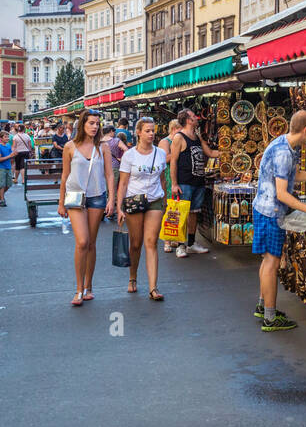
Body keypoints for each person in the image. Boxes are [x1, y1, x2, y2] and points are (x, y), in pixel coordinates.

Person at [252, 109, 306, 332]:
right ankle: (270, 317)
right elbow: (283, 193)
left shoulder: (286, 145)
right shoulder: (285, 152)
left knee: (268, 260)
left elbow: (299, 175)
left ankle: (262, 305)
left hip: (266, 209)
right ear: (305, 130)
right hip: (270, 211)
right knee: (271, 263)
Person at [59, 111, 116, 306]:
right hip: (75, 197)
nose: (94, 127)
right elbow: (65, 176)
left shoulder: (103, 147)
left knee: (91, 243)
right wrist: (61, 203)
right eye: (91, 123)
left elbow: (109, 175)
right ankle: (78, 288)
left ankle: (88, 286)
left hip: (97, 197)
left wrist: (112, 199)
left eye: (97, 124)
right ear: (82, 124)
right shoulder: (69, 146)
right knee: (82, 242)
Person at [117, 117, 168, 301]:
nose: (152, 134)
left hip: (154, 200)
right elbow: (122, 183)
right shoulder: (130, 155)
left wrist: (165, 200)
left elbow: (162, 179)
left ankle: (153, 287)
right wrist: (119, 207)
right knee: (136, 243)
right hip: (134, 200)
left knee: (151, 241)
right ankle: (133, 277)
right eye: (147, 130)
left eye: (153, 130)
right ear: (138, 132)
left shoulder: (161, 154)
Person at [169, 108, 219, 259]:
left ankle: (191, 243)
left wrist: (231, 152)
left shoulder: (196, 136)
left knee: (194, 213)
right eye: (194, 116)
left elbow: (210, 153)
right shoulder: (179, 137)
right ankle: (180, 245)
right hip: (185, 182)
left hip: (198, 181)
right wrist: (174, 183)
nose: (197, 118)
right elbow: (173, 161)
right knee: (182, 214)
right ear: (189, 120)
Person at [0, 129, 15, 206]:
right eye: (6, 137)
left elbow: (10, 156)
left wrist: (14, 155)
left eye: (8, 137)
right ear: (1, 138)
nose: (7, 138)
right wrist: (10, 156)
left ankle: (0, 194)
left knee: (9, 184)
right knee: (2, 185)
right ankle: (2, 200)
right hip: (0, 168)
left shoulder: (8, 145)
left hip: (8, 167)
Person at [11, 122, 33, 188]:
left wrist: (12, 152)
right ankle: (23, 179)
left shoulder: (15, 137)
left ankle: (16, 179)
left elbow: (14, 146)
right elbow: (30, 146)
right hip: (25, 152)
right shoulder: (27, 136)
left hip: (18, 152)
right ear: (24, 129)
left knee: (17, 166)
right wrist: (30, 152)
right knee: (23, 166)